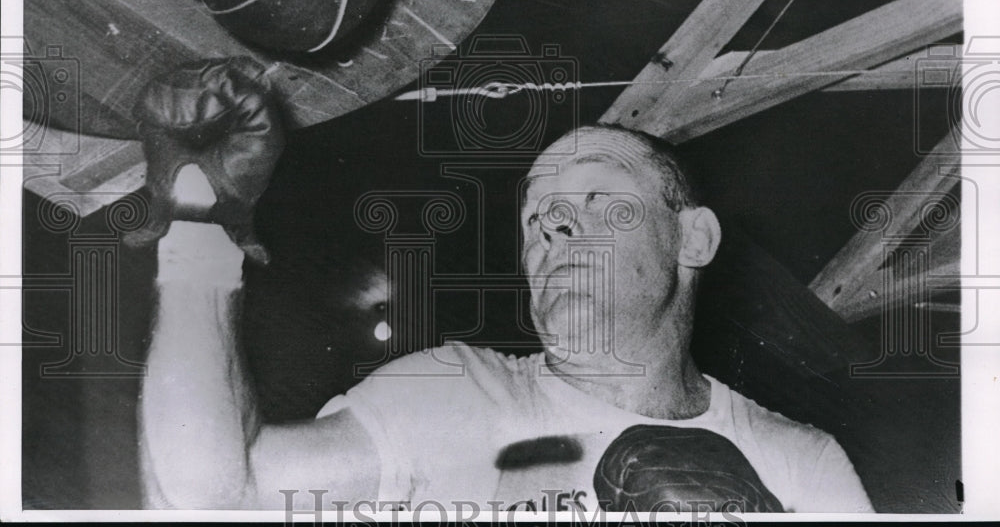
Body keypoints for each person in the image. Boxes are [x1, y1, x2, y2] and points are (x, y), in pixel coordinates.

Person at [137, 61, 873, 514]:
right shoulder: (458, 395)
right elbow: (204, 498)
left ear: (693, 237)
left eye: (595, 199)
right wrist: (203, 218)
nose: (554, 223)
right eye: (536, 214)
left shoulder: (797, 461)